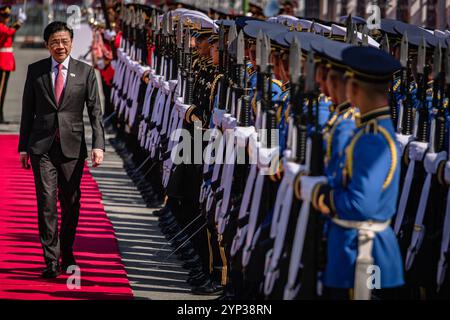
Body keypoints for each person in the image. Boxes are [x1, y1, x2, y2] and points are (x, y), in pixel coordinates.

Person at [299, 46, 405, 300]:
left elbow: (360, 204)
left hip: (363, 255)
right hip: (352, 251)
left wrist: (320, 194)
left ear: (354, 88)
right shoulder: (369, 130)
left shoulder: (372, 139)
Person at [18, 21, 105, 279]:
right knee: (46, 203)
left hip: (72, 147)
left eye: (64, 41)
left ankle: (67, 252)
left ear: (71, 43)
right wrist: (24, 148)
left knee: (71, 202)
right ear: (47, 44)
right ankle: (51, 260)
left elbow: (95, 113)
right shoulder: (36, 71)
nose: (60, 46)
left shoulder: (85, 72)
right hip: (41, 146)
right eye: (55, 42)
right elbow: (27, 111)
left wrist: (98, 145)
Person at [0, 5, 26, 124]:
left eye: (8, 16)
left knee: (3, 89)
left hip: (6, 59)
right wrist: (19, 22)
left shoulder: (4, 26)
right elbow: (9, 32)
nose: (7, 18)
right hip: (3, 60)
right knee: (1, 89)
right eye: (4, 16)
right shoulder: (1, 27)